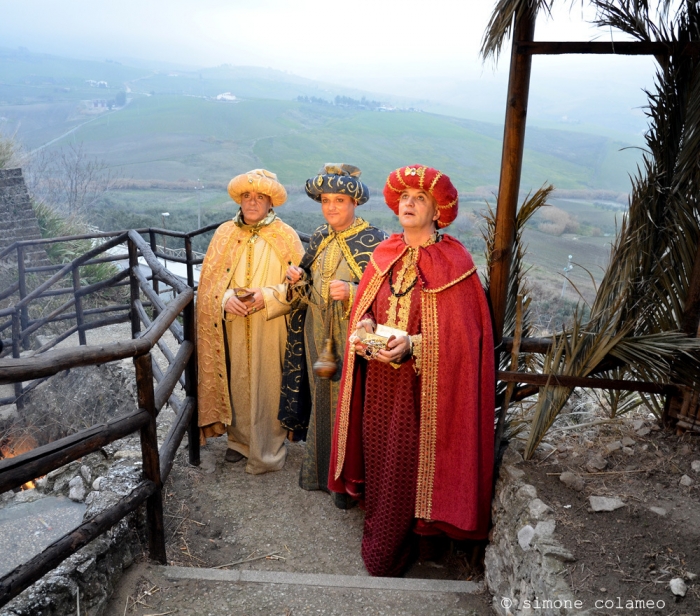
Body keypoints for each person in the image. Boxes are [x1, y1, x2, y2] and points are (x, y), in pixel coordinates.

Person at [328, 164, 495, 576]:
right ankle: (383, 532)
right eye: (404, 197)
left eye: (420, 198)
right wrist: (364, 324)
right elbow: (366, 305)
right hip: (380, 382)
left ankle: (401, 549)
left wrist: (415, 344)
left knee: (409, 464)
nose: (409, 203)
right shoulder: (384, 254)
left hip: (425, 390)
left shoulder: (454, 261)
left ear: (439, 211)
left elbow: (463, 339)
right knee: (379, 458)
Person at [279, 164, 386, 506]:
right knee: (321, 399)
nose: (331, 207)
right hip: (316, 331)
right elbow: (309, 285)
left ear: (354, 202)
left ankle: (347, 483)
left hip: (351, 337)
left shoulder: (373, 241)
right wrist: (299, 278)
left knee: (350, 405)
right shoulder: (320, 236)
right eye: (326, 200)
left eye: (339, 199)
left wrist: (354, 290)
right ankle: (318, 471)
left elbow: (386, 295)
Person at [197, 168, 304, 474]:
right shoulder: (224, 235)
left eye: (260, 197)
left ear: (271, 202)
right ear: (239, 200)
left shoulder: (287, 236)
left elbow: (301, 286)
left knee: (268, 381)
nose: (252, 203)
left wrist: (268, 296)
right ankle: (239, 442)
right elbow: (208, 285)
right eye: (247, 196)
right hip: (231, 323)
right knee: (236, 379)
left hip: (270, 325)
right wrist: (225, 297)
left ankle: (268, 449)